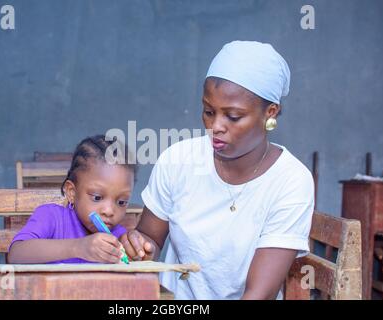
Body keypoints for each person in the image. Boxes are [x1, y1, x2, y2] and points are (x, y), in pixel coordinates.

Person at [120, 40, 314, 299]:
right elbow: (150, 239)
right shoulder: (178, 161)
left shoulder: (291, 181)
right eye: (208, 111)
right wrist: (139, 248)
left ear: (270, 113)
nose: (216, 126)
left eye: (233, 116)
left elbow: (259, 294)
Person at [8, 135, 137, 264]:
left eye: (121, 202)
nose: (109, 211)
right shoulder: (51, 218)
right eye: (97, 197)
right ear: (72, 193)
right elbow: (16, 254)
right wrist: (78, 247)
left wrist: (138, 253)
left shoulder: (118, 238)